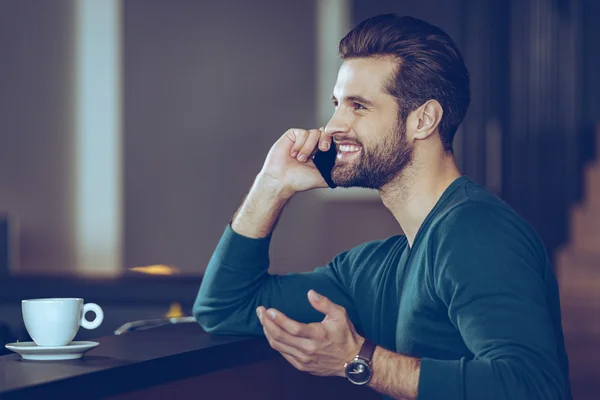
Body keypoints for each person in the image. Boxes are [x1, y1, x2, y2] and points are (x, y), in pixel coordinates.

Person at [193, 14, 571, 400]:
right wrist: (271, 186)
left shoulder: (477, 231)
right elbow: (226, 307)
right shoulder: (375, 268)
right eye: (337, 104)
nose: (333, 125)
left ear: (423, 120)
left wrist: (359, 359)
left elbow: (532, 388)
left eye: (358, 106)